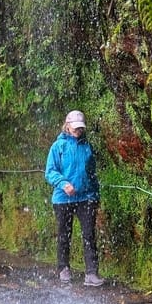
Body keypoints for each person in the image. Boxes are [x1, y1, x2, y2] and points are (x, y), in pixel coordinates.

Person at [45, 109, 104, 286]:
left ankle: (91, 273)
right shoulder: (58, 146)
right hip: (63, 199)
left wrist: (95, 195)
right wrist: (64, 184)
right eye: (75, 127)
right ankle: (63, 268)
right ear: (67, 126)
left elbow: (92, 172)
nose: (78, 131)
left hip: (86, 197)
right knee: (64, 234)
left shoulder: (87, 146)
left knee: (89, 235)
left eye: (81, 128)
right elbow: (50, 172)